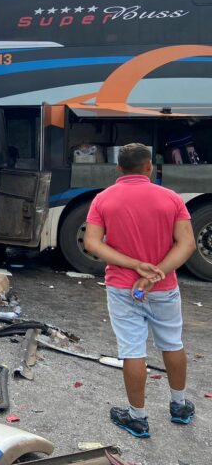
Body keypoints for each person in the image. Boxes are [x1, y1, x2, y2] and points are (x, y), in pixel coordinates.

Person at [83, 142, 197, 438]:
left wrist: (135, 266)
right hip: (164, 287)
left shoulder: (103, 199)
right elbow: (187, 244)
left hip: (122, 287)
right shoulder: (171, 198)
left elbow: (92, 243)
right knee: (172, 343)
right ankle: (180, 406)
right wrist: (155, 275)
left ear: (118, 167)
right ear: (149, 167)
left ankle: (137, 417)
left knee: (132, 350)